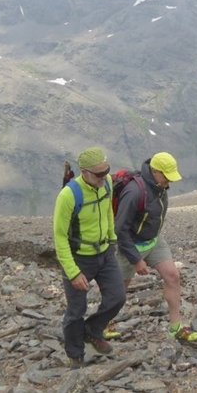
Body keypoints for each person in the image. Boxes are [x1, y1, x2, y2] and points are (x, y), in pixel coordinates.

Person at [112, 151, 197, 342]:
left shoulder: (160, 187)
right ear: (155, 171)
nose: (170, 182)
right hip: (130, 247)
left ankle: (176, 327)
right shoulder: (134, 192)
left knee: (173, 276)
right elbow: (120, 229)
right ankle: (102, 326)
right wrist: (136, 259)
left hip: (154, 241)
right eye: (167, 177)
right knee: (119, 292)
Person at [53, 147, 126, 368]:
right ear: (84, 172)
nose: (104, 178)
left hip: (105, 253)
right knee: (76, 310)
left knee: (117, 298)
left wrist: (112, 239)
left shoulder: (108, 183)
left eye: (107, 172)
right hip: (79, 260)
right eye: (99, 174)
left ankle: (92, 331)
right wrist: (73, 272)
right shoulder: (68, 195)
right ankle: (75, 354)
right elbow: (59, 237)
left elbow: (107, 212)